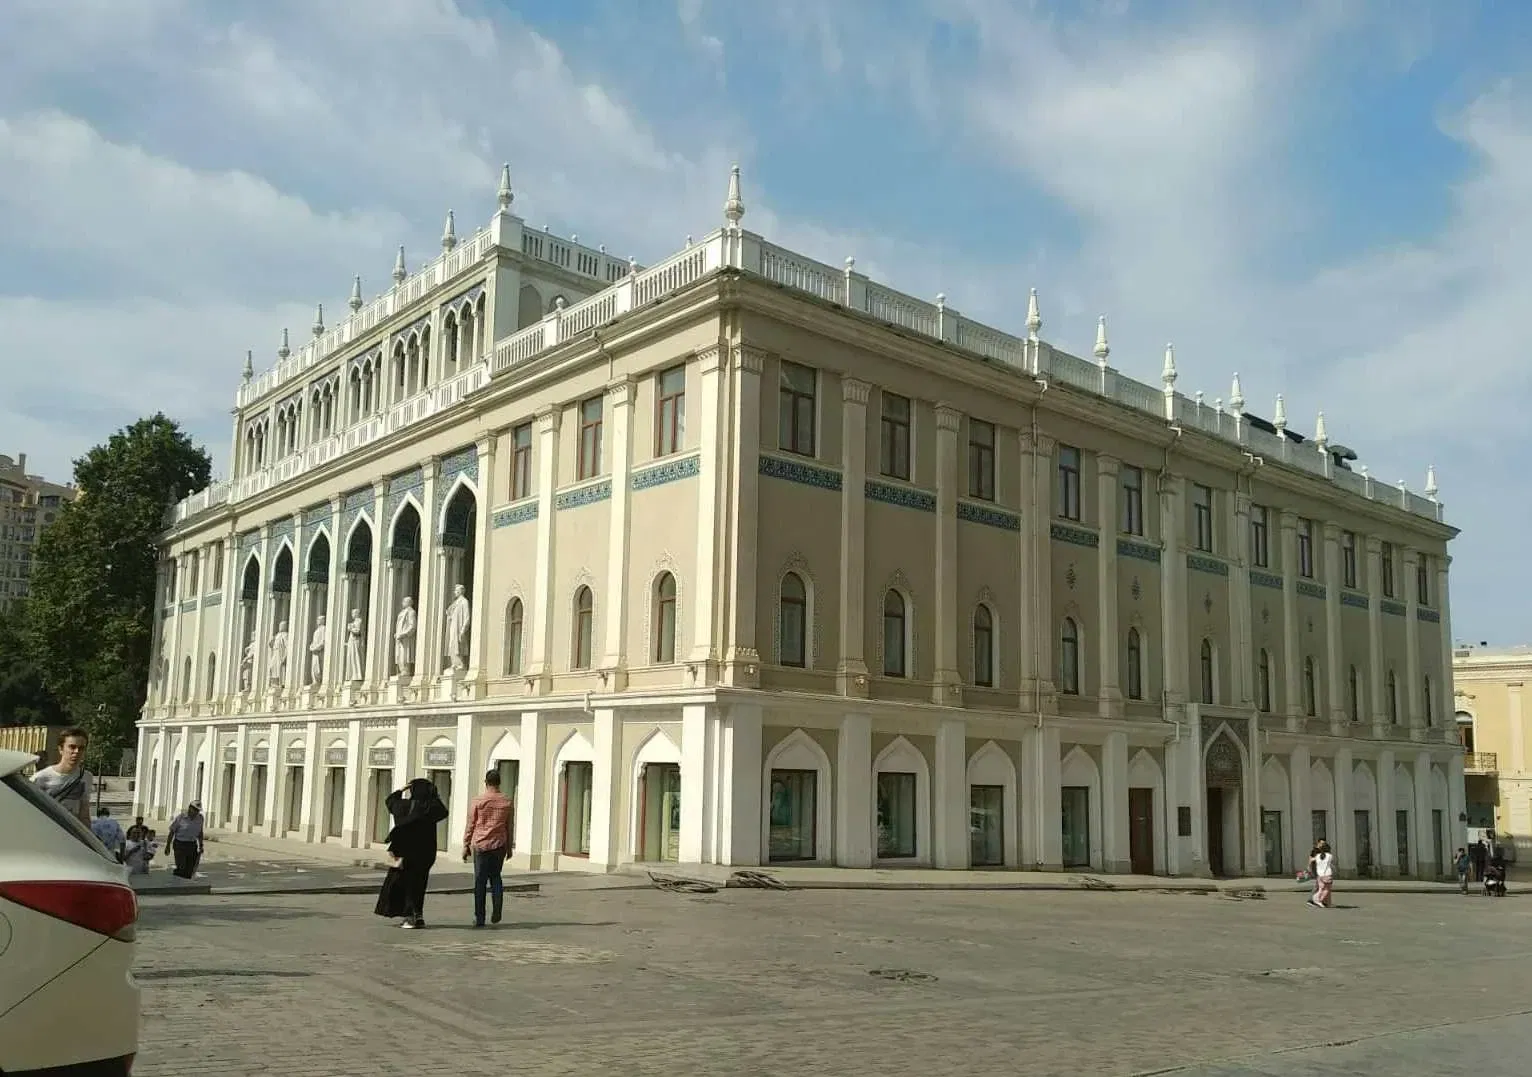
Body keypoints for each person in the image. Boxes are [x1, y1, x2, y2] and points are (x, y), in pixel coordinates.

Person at [381, 778, 447, 929]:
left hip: (403, 851)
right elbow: (443, 810)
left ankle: (409, 916)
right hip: (425, 853)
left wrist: (402, 789)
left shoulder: (402, 806)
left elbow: (389, 800)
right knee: (419, 884)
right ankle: (417, 915)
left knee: (405, 883)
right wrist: (433, 794)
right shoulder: (429, 808)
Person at [463, 769, 514, 928]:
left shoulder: (478, 801)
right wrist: (509, 846)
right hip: (499, 845)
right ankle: (497, 910)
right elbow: (509, 826)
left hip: (481, 845)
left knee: (480, 882)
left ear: (486, 783)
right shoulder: (507, 802)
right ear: (499, 782)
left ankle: (479, 917)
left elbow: (471, 824)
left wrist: (465, 844)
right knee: (496, 878)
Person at [30, 726, 93, 825]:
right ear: (61, 749)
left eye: (81, 748)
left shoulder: (86, 777)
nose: (76, 752)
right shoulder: (40, 778)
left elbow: (84, 813)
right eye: (72, 747)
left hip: (71, 834)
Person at [166, 801, 206, 879]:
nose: (196, 812)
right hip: (180, 844)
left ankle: (186, 884)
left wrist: (201, 844)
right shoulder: (181, 817)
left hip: (192, 845)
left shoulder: (200, 818)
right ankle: (176, 882)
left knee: (190, 869)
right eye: (195, 810)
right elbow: (172, 832)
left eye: (198, 810)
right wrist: (168, 846)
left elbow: (200, 832)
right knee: (181, 867)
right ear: (190, 808)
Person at [1308, 839, 1335, 908]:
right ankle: (1316, 900)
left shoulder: (1318, 855)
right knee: (1325, 889)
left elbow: (1311, 859)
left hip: (1319, 874)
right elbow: (1331, 862)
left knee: (1321, 888)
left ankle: (1326, 902)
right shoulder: (1329, 855)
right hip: (1326, 874)